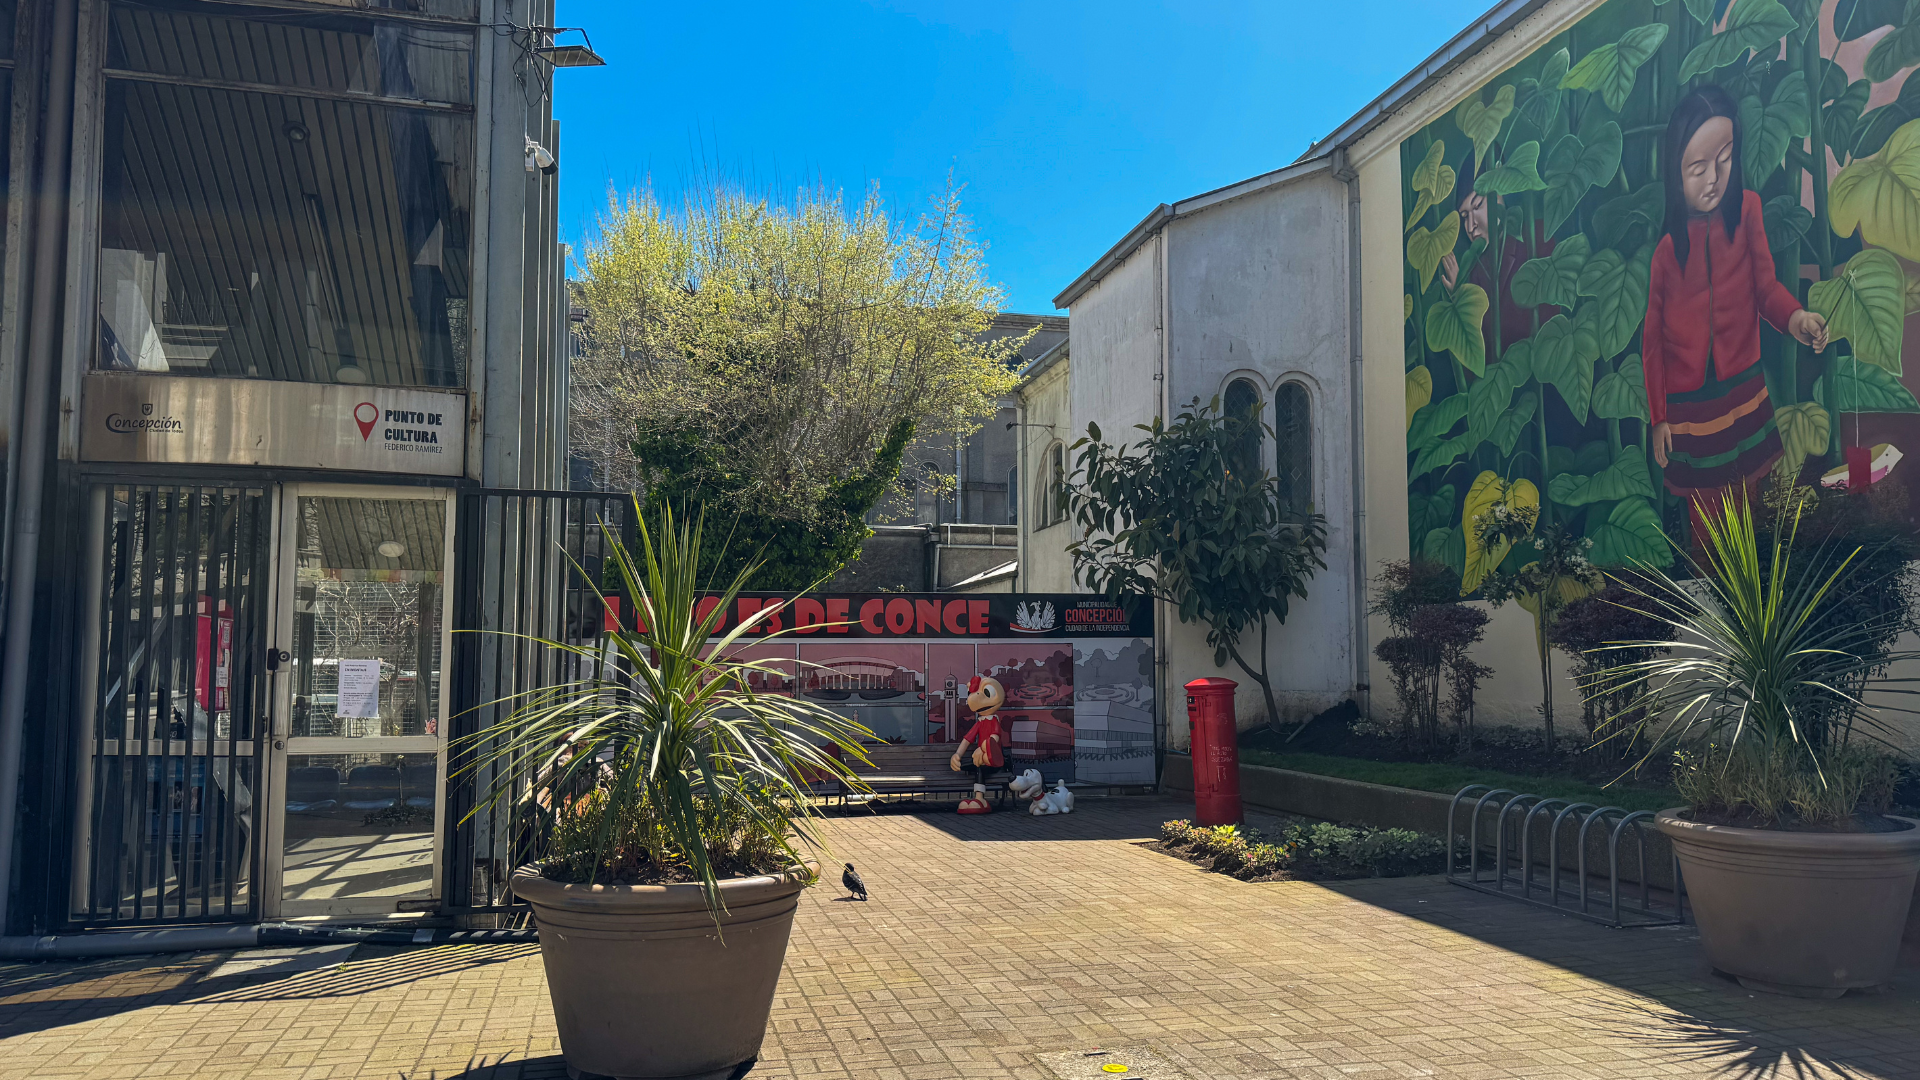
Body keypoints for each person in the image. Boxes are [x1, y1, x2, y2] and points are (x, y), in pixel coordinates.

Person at [1642, 86, 1828, 525]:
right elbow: (1652, 344)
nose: (1714, 178)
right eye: (1698, 168)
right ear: (1675, 173)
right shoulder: (1667, 253)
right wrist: (1659, 417)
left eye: (1725, 159)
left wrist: (1795, 317)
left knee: (1751, 505)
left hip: (1744, 389)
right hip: (1691, 408)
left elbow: (1766, 289)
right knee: (1707, 517)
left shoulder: (1747, 211)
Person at [1439, 156, 1557, 352]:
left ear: (1500, 195)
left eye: (1477, 206)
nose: (1471, 226)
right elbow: (1480, 361)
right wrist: (1461, 300)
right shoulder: (1477, 272)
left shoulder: (1537, 239)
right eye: (1465, 216)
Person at [948, 675, 1009, 814]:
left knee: (979, 768)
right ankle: (976, 800)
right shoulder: (980, 722)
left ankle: (980, 799)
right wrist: (957, 755)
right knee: (973, 766)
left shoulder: (994, 721)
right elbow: (967, 739)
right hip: (981, 760)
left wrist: (983, 749)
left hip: (994, 761)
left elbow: (995, 738)